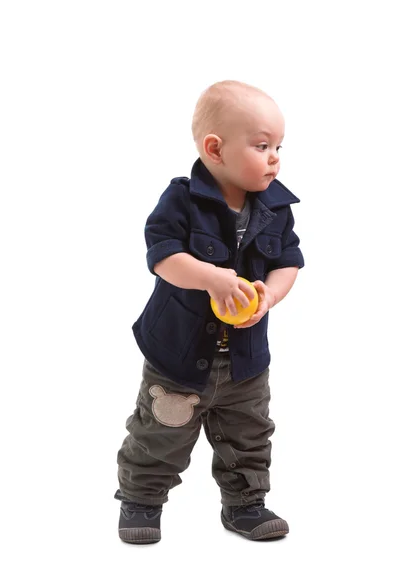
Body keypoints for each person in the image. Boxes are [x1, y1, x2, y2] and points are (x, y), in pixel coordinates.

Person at [114, 80, 304, 544]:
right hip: (179, 355)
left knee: (249, 436)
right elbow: (162, 257)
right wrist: (211, 276)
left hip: (244, 360)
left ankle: (245, 504)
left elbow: (289, 262)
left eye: (279, 146)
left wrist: (271, 296)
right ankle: (141, 501)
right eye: (262, 146)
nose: (275, 157)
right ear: (215, 149)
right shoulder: (182, 199)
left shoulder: (277, 208)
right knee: (161, 433)